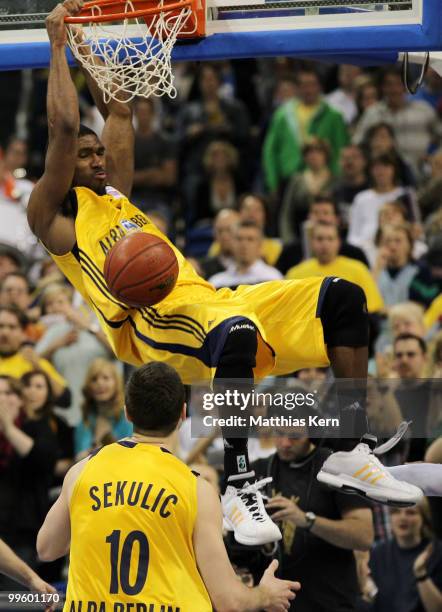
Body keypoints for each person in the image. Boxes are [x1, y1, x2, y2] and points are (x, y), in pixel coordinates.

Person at [28, 0, 422, 549]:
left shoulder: (115, 193)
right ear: (59, 165)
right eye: (85, 155)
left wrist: (88, 41)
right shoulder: (55, 216)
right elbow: (65, 125)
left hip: (210, 299)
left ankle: (348, 450)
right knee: (232, 334)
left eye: (99, 154)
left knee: (343, 298)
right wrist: (54, 43)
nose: (97, 158)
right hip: (149, 325)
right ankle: (239, 484)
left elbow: (116, 112)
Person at [37, 361, 300, 612]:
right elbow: (229, 600)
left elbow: (47, 549)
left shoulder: (83, 470)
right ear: (182, 414)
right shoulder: (197, 488)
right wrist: (265, 594)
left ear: (128, 412)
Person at [254, 423, 374, 612]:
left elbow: (364, 536)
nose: (285, 443)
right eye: (279, 434)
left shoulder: (335, 466)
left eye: (294, 436)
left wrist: (307, 520)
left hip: (329, 599)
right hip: (280, 602)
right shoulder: (261, 469)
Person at [286, 222, 384, 316]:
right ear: (311, 242)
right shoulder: (295, 274)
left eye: (330, 239)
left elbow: (372, 309)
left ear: (338, 242)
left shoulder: (358, 269)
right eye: (320, 239)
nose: (325, 244)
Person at [369, 503, 442, 612]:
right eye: (396, 512)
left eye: (411, 512)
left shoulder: (436, 552)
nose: (402, 517)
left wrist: (421, 574)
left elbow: (437, 609)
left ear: (423, 518)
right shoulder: (378, 553)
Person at [75, 358, 132, 460]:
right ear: (89, 386)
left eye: (105, 378)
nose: (100, 383)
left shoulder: (127, 415)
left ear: (116, 383)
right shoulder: (86, 418)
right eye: (94, 379)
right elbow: (79, 458)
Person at [209, 221, 283, 289]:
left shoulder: (273, 278)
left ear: (260, 246)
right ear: (231, 244)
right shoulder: (217, 282)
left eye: (250, 239)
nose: (244, 244)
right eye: (239, 239)